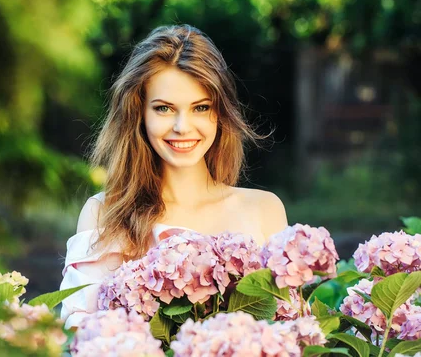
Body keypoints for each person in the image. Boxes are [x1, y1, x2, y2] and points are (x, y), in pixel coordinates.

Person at [59, 24, 288, 329]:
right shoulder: (105, 213)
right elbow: (80, 338)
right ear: (139, 114)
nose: (182, 127)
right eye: (164, 108)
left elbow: (292, 334)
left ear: (220, 113)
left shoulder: (265, 210)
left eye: (200, 107)